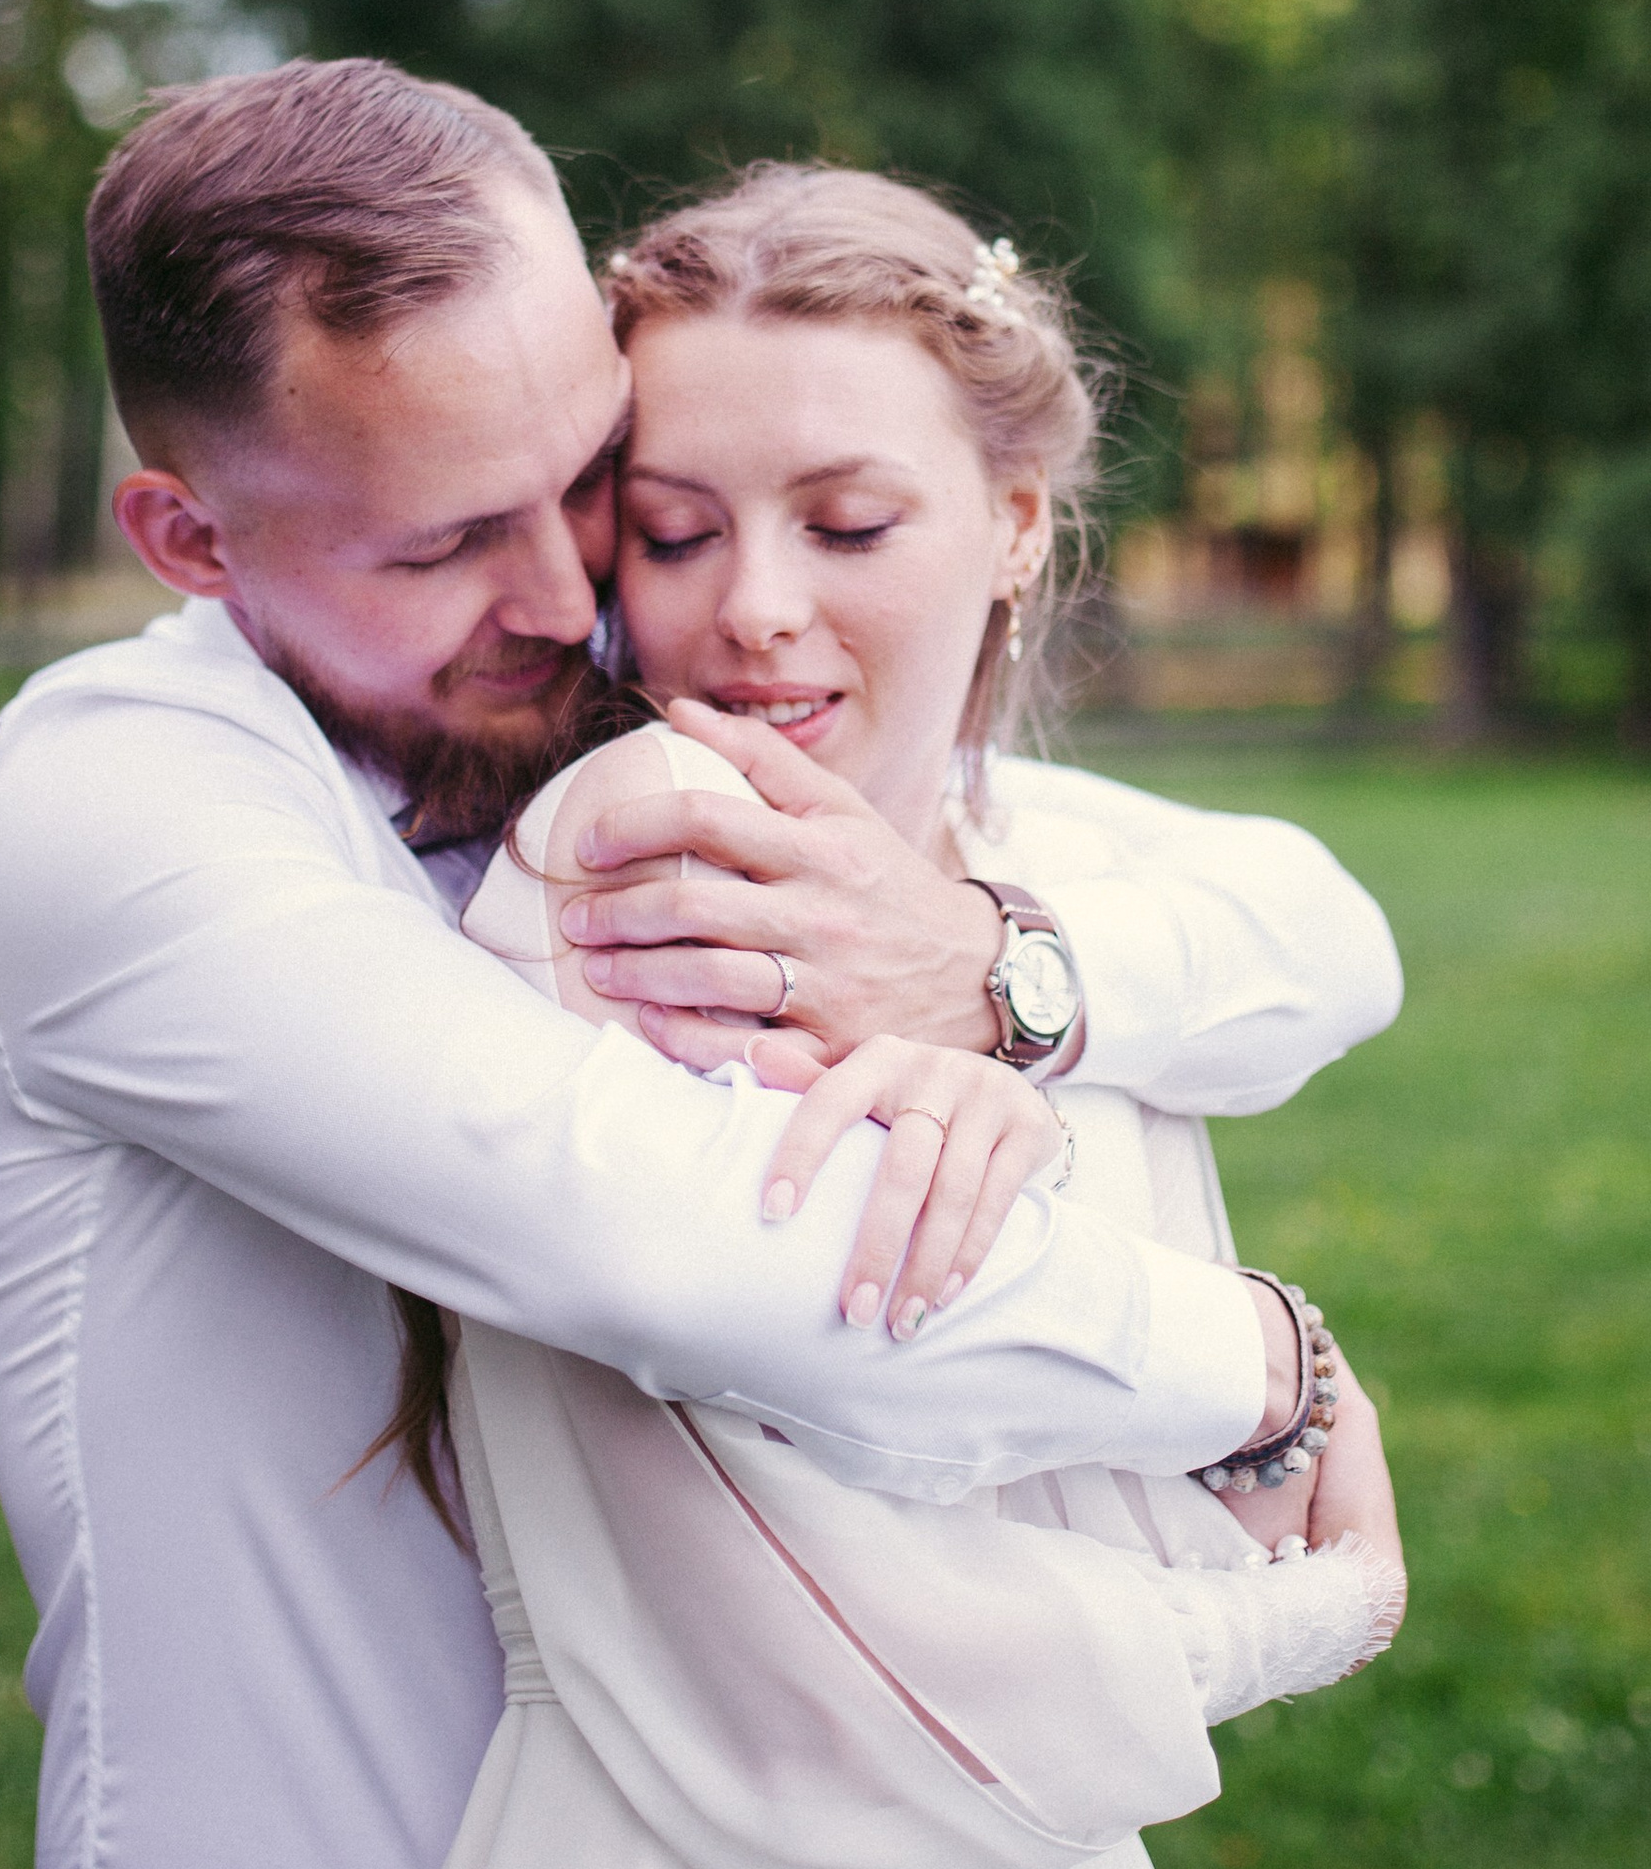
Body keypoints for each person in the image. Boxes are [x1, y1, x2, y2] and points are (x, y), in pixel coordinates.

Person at [0, 58, 1402, 1869]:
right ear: (191, 540)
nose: (572, 601)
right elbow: (701, 1245)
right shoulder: (125, 797)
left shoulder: (589, 734)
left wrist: (999, 975)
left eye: (586, 485)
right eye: (445, 538)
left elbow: (1314, 923)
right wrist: (1269, 1366)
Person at [435, 166, 1405, 1868]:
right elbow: (867, 1613)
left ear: (1018, 520)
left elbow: (1335, 937)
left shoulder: (1043, 861)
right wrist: (1313, 1520)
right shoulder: (637, 873)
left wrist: (1003, 984)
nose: (753, 606)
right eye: (673, 531)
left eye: (849, 524)